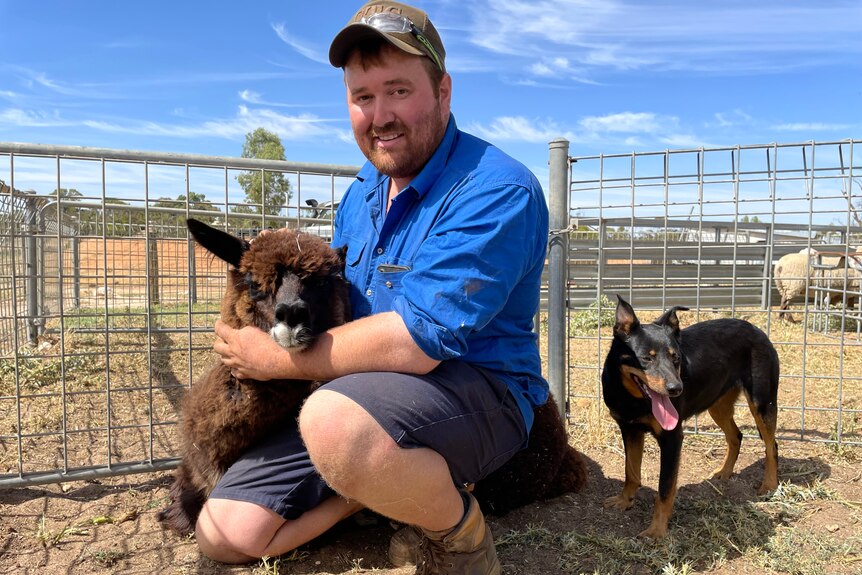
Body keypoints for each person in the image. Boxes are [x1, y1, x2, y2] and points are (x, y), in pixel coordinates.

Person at [197, 1, 550, 573]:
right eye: (363, 97)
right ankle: (363, 494)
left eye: (398, 90)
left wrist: (274, 358)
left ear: (443, 90)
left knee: (330, 421)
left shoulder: (495, 189)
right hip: (358, 390)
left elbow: (418, 340)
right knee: (227, 533)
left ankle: (458, 536)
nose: (380, 114)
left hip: (478, 389)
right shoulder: (364, 190)